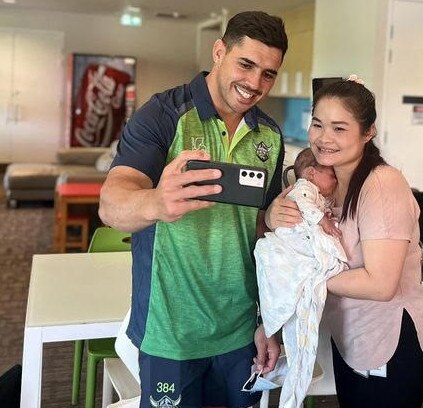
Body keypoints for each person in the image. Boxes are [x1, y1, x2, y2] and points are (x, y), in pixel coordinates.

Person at [98, 11, 288, 408]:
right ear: (219, 51)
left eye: (268, 74)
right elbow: (111, 204)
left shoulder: (268, 134)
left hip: (240, 333)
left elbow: (263, 233)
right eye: (246, 64)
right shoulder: (164, 115)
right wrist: (154, 200)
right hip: (171, 333)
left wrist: (267, 320)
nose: (255, 83)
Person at [266, 76, 423, 407]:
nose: (324, 138)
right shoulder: (328, 185)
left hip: (389, 338)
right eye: (317, 125)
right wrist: (275, 216)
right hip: (353, 334)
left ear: (368, 132)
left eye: (339, 128)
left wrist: (304, 279)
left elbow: (381, 284)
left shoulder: (381, 186)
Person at [254, 147, 347, 408]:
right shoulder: (305, 188)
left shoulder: (315, 193)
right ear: (311, 173)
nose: (336, 180)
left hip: (296, 249)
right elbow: (306, 207)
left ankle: (292, 396)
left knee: (301, 344)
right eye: (332, 174)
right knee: (301, 342)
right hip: (288, 247)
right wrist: (323, 222)